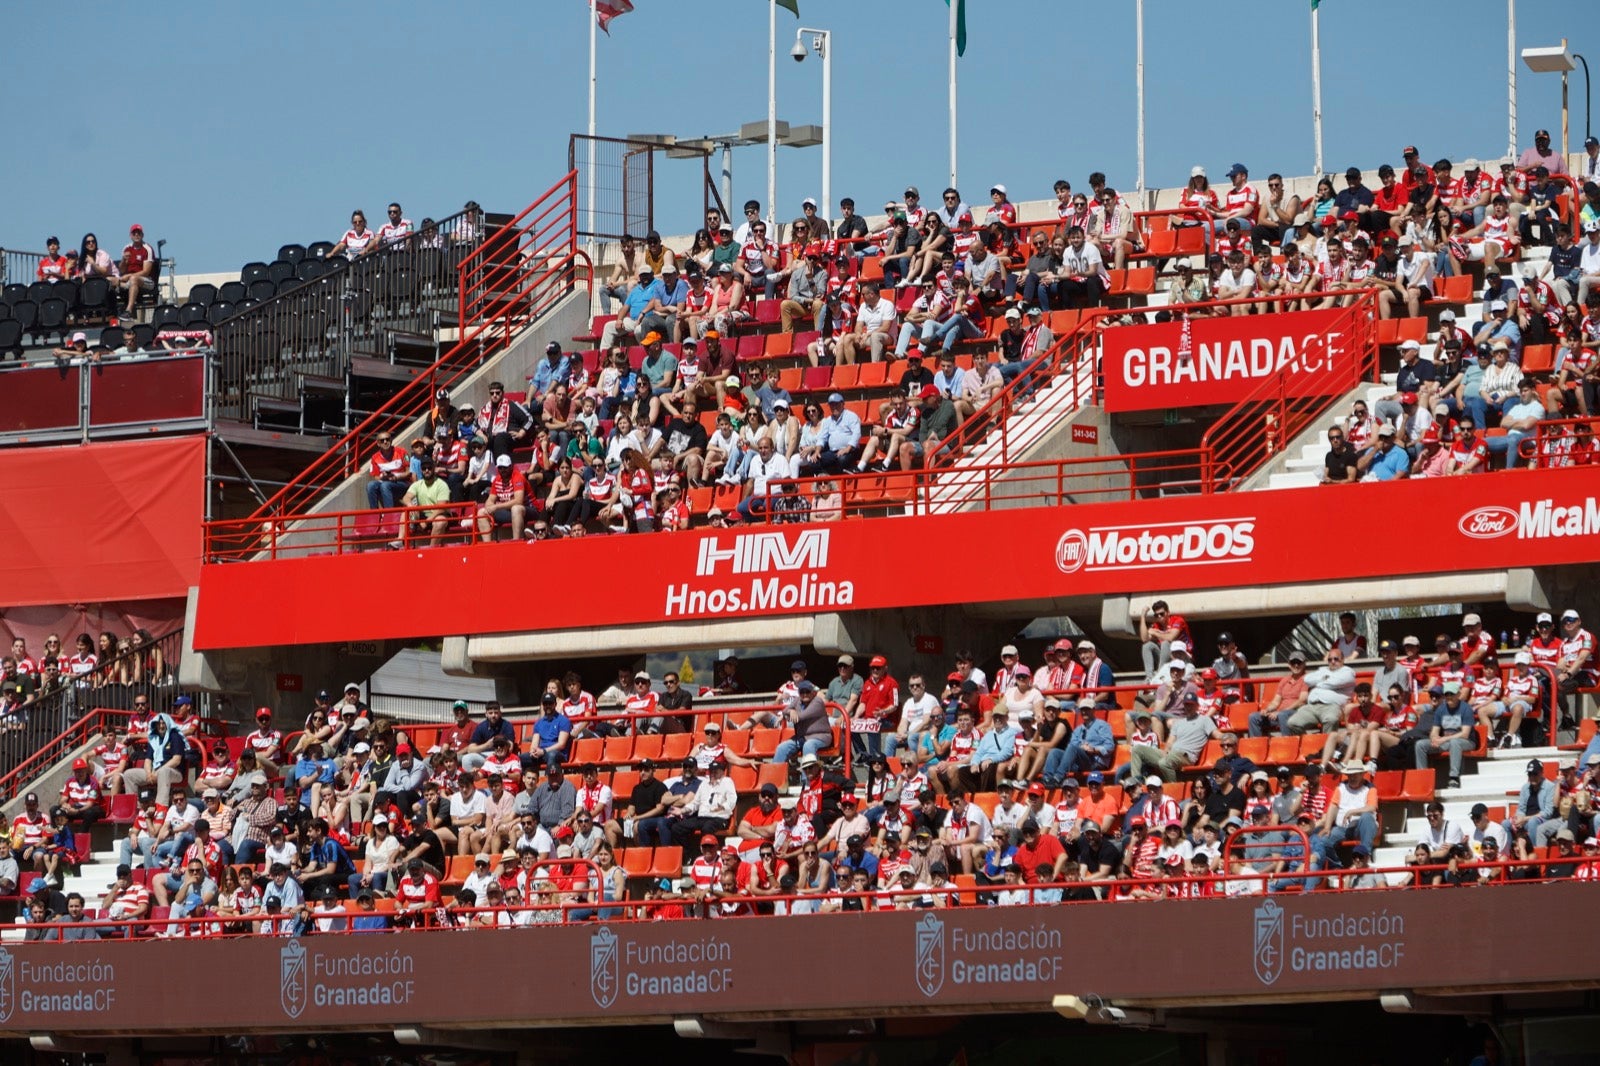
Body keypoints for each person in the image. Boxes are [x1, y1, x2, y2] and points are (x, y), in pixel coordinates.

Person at [1414, 682, 1476, 789]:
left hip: (1466, 742)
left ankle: (1454, 777)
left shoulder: (1466, 708)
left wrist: (1443, 739)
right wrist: (1434, 738)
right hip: (1447, 742)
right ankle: (1423, 778)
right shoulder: (1441, 709)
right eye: (1447, 694)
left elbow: (1465, 734)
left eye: (1451, 694)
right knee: (1420, 744)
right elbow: (1435, 730)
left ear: (1458, 694)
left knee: (1455, 742)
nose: (1449, 697)